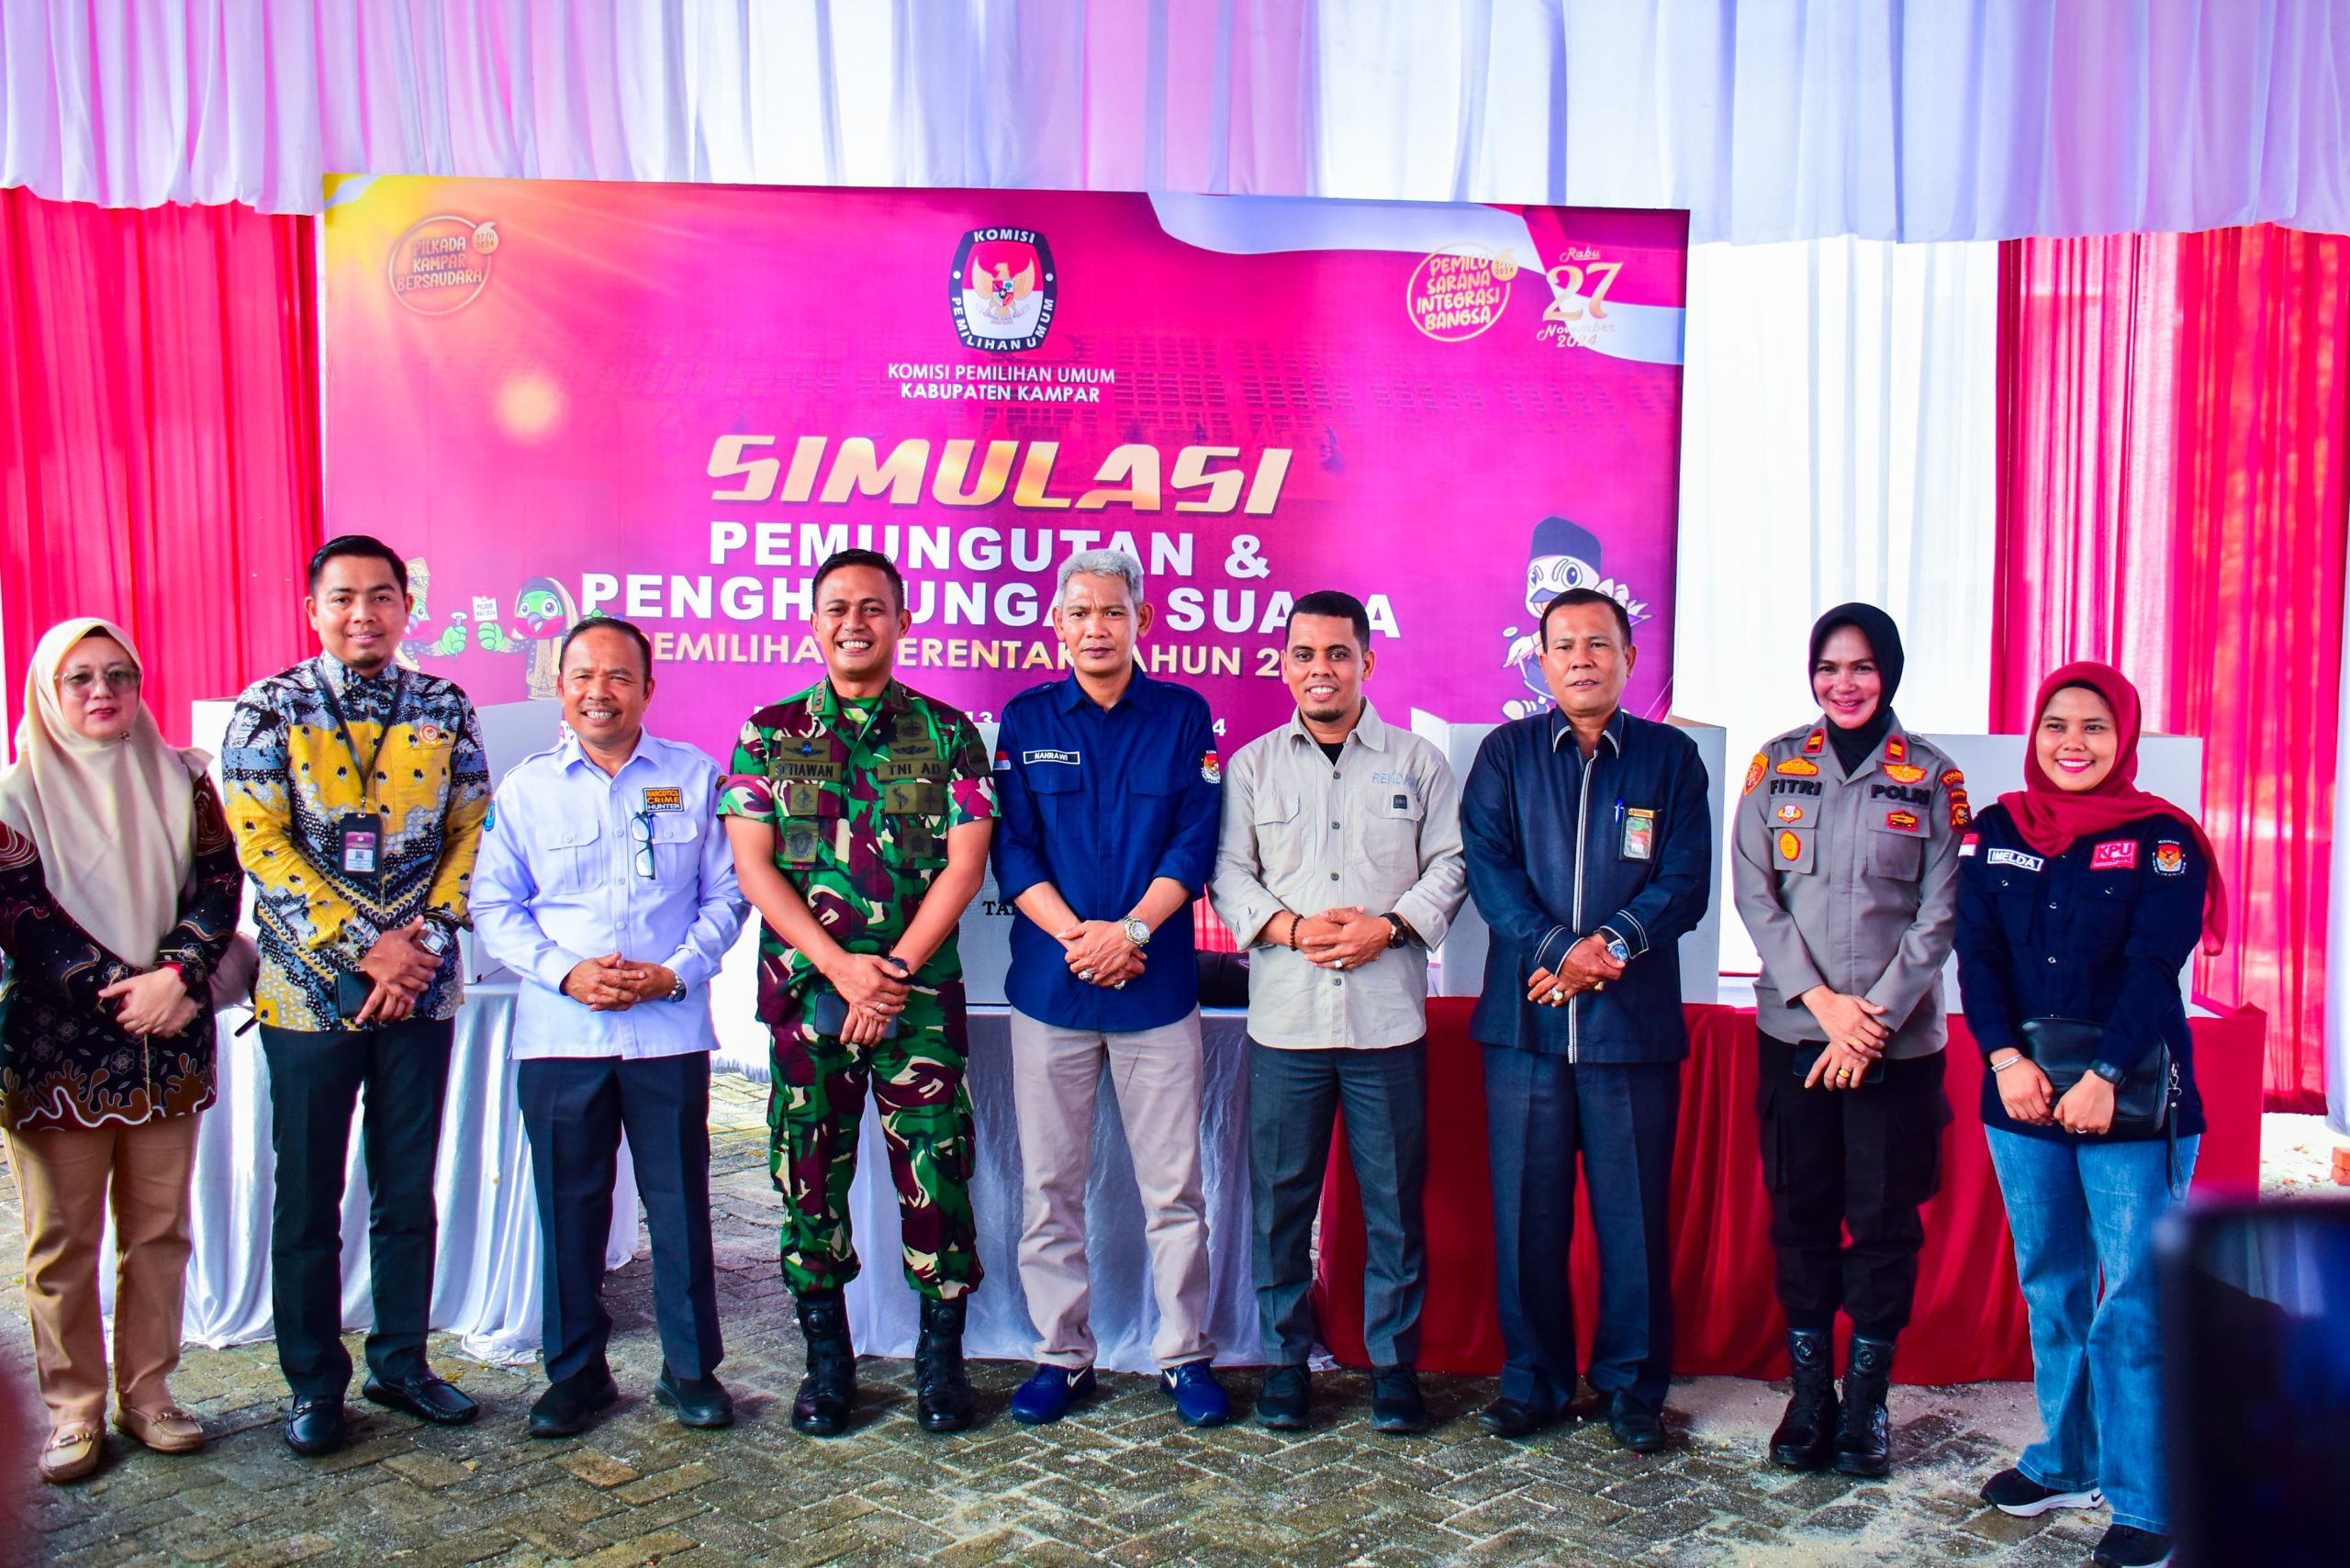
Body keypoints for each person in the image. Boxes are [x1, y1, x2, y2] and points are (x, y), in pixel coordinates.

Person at [222, 534, 491, 1456]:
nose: (363, 614)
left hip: (420, 987)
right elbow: (262, 845)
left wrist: (423, 949)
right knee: (307, 1195)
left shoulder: (444, 705)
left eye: (381, 596)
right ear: (313, 609)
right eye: (343, 598)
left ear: (406, 608)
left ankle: (401, 1362)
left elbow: (472, 832)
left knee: (406, 1188)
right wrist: (366, 950)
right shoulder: (269, 708)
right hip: (306, 994)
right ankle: (312, 1382)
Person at [718, 549, 996, 1437]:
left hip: (916, 1001)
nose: (854, 623)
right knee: (808, 1175)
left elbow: (965, 866)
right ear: (813, 622)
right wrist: (842, 970)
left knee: (936, 1173)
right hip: (810, 997)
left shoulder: (949, 734)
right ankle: (827, 1363)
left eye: (872, 607)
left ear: (902, 622)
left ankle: (940, 1362)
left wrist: (893, 974)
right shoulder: (768, 734)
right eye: (837, 607)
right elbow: (755, 869)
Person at [1958, 661, 2222, 1568]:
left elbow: (2155, 966)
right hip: (2022, 1091)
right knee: (2053, 1283)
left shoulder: (2164, 839)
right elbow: (1976, 955)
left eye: (2095, 727)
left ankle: (2149, 1499)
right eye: (2057, 725)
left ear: (2124, 738)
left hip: (2132, 1096)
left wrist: (2105, 1072)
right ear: (2035, 735)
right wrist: (2005, 1061)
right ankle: (2065, 1461)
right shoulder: (1996, 829)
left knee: (2135, 1298)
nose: (2073, 743)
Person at [472, 616, 747, 1438]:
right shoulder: (525, 790)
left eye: (619, 676)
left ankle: (690, 1370)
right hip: (562, 1036)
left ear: (648, 690)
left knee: (680, 1206)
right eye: (583, 677)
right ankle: (575, 1375)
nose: (601, 692)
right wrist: (566, 971)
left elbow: (729, 895)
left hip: (667, 1032)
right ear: (560, 689)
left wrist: (676, 972)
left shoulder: (694, 778)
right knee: (570, 1211)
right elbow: (494, 906)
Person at [1460, 587, 1711, 1452]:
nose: (1581, 659)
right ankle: (1533, 1380)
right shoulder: (1506, 755)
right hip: (1524, 1029)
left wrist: (1607, 946)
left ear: (1629, 658)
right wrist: (1557, 949)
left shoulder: (1671, 759)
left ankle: (1633, 1388)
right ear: (1540, 661)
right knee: (1526, 1219)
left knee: (1633, 1222)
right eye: (1563, 645)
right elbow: (1489, 869)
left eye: (1598, 644)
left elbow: (1685, 880)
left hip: (1630, 1030)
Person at [1211, 590, 1466, 1433]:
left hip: (1386, 1023)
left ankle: (1393, 1366)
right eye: (1304, 655)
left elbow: (1452, 864)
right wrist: (1288, 928)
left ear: (1367, 662)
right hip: (1286, 1023)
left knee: (1393, 1202)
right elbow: (1228, 871)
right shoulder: (1252, 766)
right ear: (1284, 665)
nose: (1320, 670)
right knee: (1281, 1201)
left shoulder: (1418, 762)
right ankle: (1287, 1364)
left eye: (1337, 654)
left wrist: (1386, 928)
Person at [0, 619, 242, 1484]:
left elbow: (220, 883)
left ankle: (149, 1393)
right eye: (80, 678)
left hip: (169, 1039)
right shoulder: (14, 798)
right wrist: (127, 991)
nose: (102, 691)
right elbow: (23, 919)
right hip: (57, 1053)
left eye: (119, 675)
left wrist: (175, 975)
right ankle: (72, 1408)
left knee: (159, 1231)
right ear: (48, 691)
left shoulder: (183, 779)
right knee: (62, 1242)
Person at [992, 549, 1228, 1428]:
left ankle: (1185, 1356)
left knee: (1174, 1190)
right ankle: (1062, 1356)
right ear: (1058, 624)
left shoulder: (1183, 715)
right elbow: (1012, 848)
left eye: (1114, 612)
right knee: (1050, 1187)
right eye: (1081, 612)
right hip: (1051, 989)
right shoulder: (1025, 718)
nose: (1097, 627)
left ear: (1141, 621)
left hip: (1153, 987)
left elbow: (1194, 842)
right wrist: (1080, 939)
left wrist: (1129, 934)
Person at [1730, 604, 1966, 1476]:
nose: (1845, 684)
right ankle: (1810, 1399)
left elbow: (1941, 913)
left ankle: (1866, 1406)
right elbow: (1755, 892)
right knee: (1800, 1218)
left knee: (1882, 1223)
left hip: (1896, 1049)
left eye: (1862, 667)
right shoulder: (1775, 765)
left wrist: (1869, 1024)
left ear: (1889, 672)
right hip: (1798, 1034)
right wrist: (1824, 1005)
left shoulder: (1932, 779)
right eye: (1829, 667)